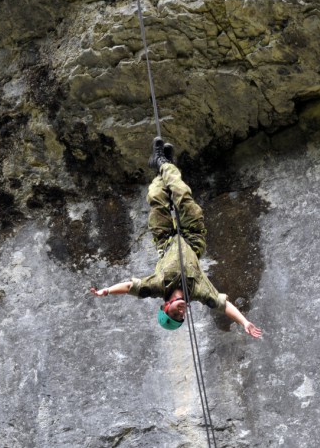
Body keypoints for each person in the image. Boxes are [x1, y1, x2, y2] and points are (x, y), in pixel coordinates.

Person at [90, 137, 262, 339]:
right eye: (182, 315)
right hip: (192, 237)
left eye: (174, 313)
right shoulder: (198, 291)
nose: (181, 312)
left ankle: (162, 164)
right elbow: (222, 305)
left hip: (165, 239)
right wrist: (244, 322)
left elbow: (130, 287)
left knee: (156, 196)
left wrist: (107, 291)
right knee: (180, 193)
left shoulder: (156, 287)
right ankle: (164, 163)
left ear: (165, 306)